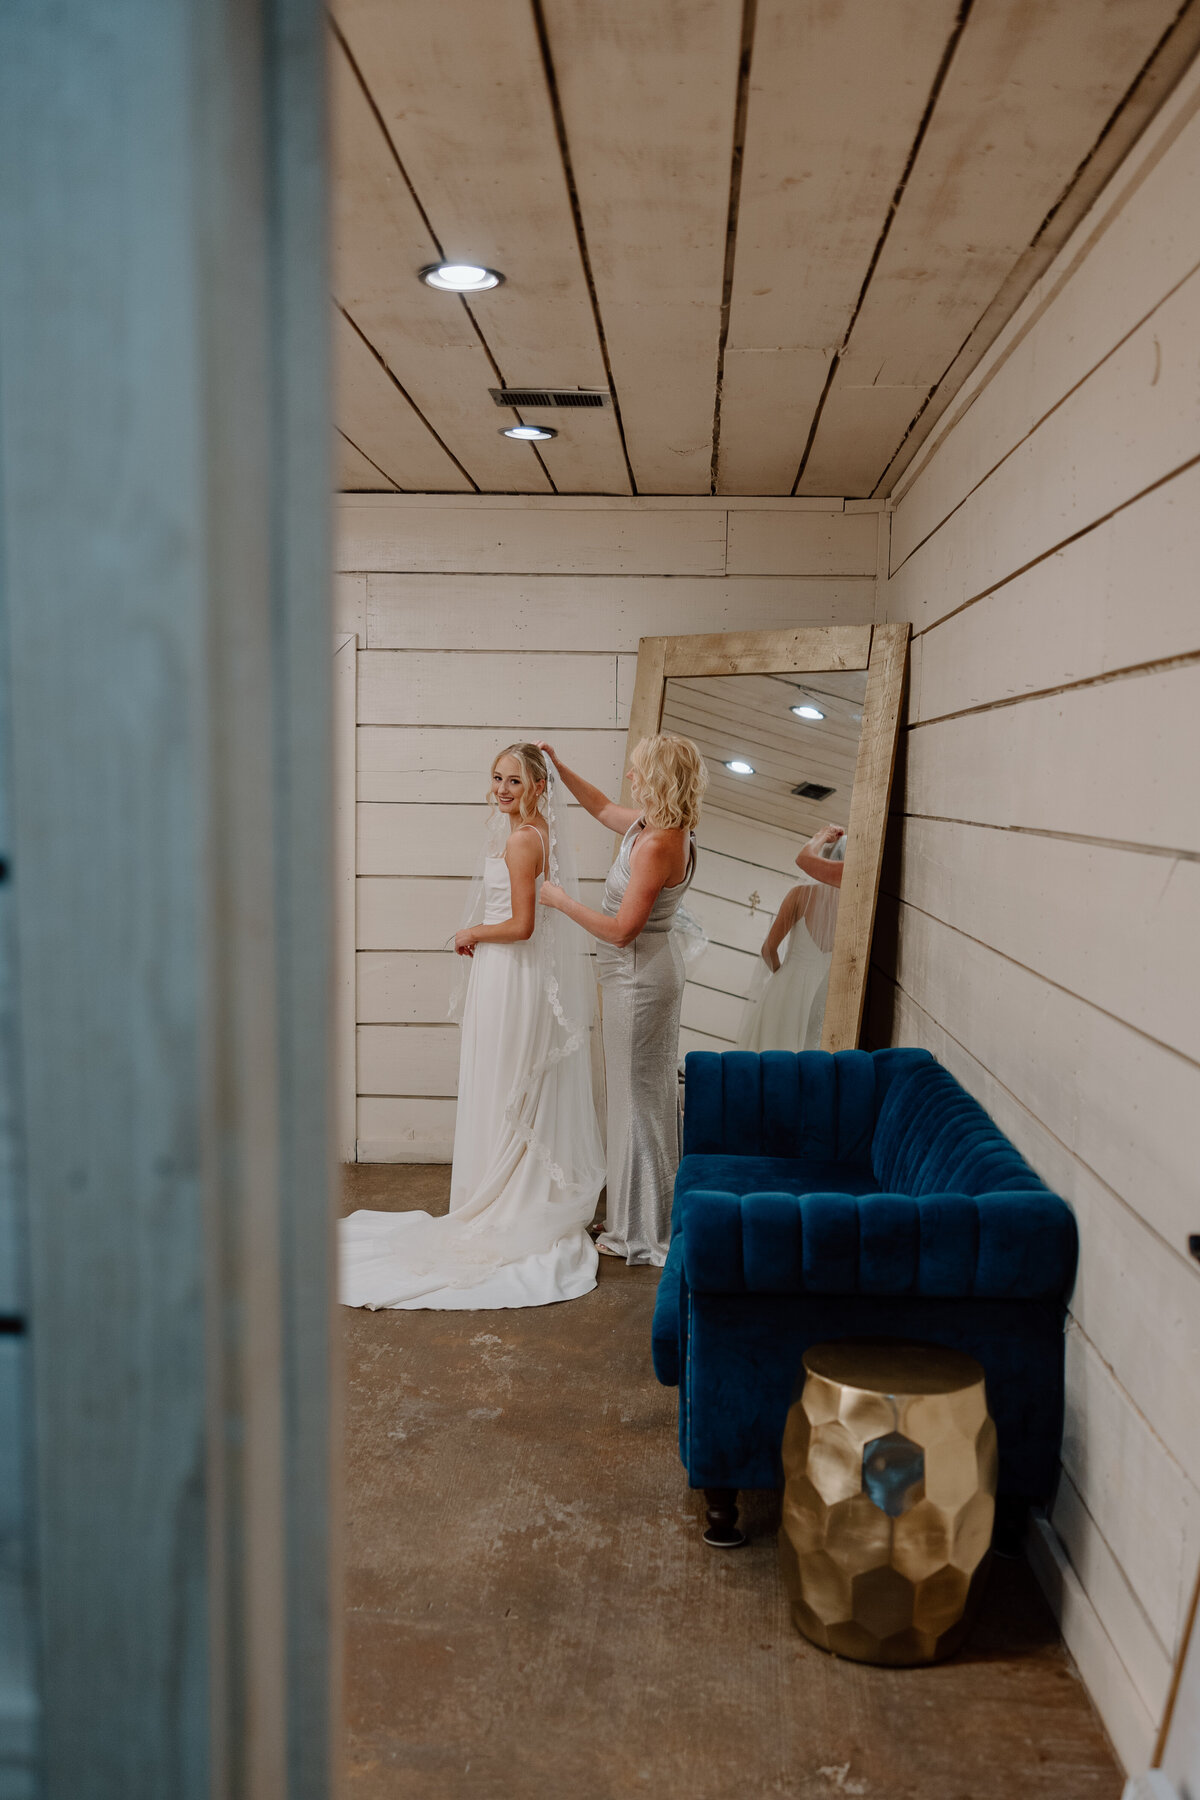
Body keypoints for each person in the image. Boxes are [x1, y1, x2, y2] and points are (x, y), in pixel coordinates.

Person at [339, 743, 604, 1310]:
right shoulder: (537, 834)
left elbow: (524, 925)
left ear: (536, 787)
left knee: (500, 1082)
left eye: (513, 781)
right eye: (496, 779)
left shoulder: (521, 839)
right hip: (514, 975)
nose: (501, 790)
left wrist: (472, 935)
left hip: (510, 973)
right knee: (506, 1082)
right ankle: (506, 1190)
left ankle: (498, 1199)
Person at [535, 733, 707, 1267]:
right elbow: (603, 807)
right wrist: (561, 769)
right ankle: (639, 1216)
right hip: (638, 977)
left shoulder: (660, 844)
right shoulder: (652, 825)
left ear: (658, 780)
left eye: (638, 771)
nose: (630, 778)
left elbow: (620, 932)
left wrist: (561, 900)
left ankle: (643, 1231)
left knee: (639, 1103)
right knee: (637, 1099)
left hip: (639, 980)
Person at [736, 831, 845, 1053]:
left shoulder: (799, 895)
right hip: (826, 996)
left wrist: (780, 974)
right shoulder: (853, 909)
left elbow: (768, 949)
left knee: (767, 1058)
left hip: (786, 989)